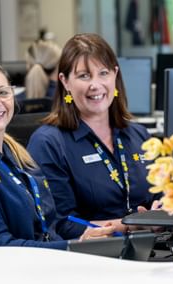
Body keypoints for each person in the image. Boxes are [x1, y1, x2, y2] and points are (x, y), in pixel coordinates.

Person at [0, 57, 115, 250]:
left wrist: (97, 235)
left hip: (38, 263)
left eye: (3, 93)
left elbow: (50, 226)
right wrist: (74, 247)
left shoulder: (13, 152)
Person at [27, 33, 161, 240]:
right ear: (65, 82)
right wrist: (133, 225)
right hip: (92, 256)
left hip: (155, 247)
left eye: (103, 73)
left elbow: (164, 193)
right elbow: (61, 224)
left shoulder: (139, 134)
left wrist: (164, 208)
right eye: (84, 76)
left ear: (115, 76)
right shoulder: (48, 143)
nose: (95, 84)